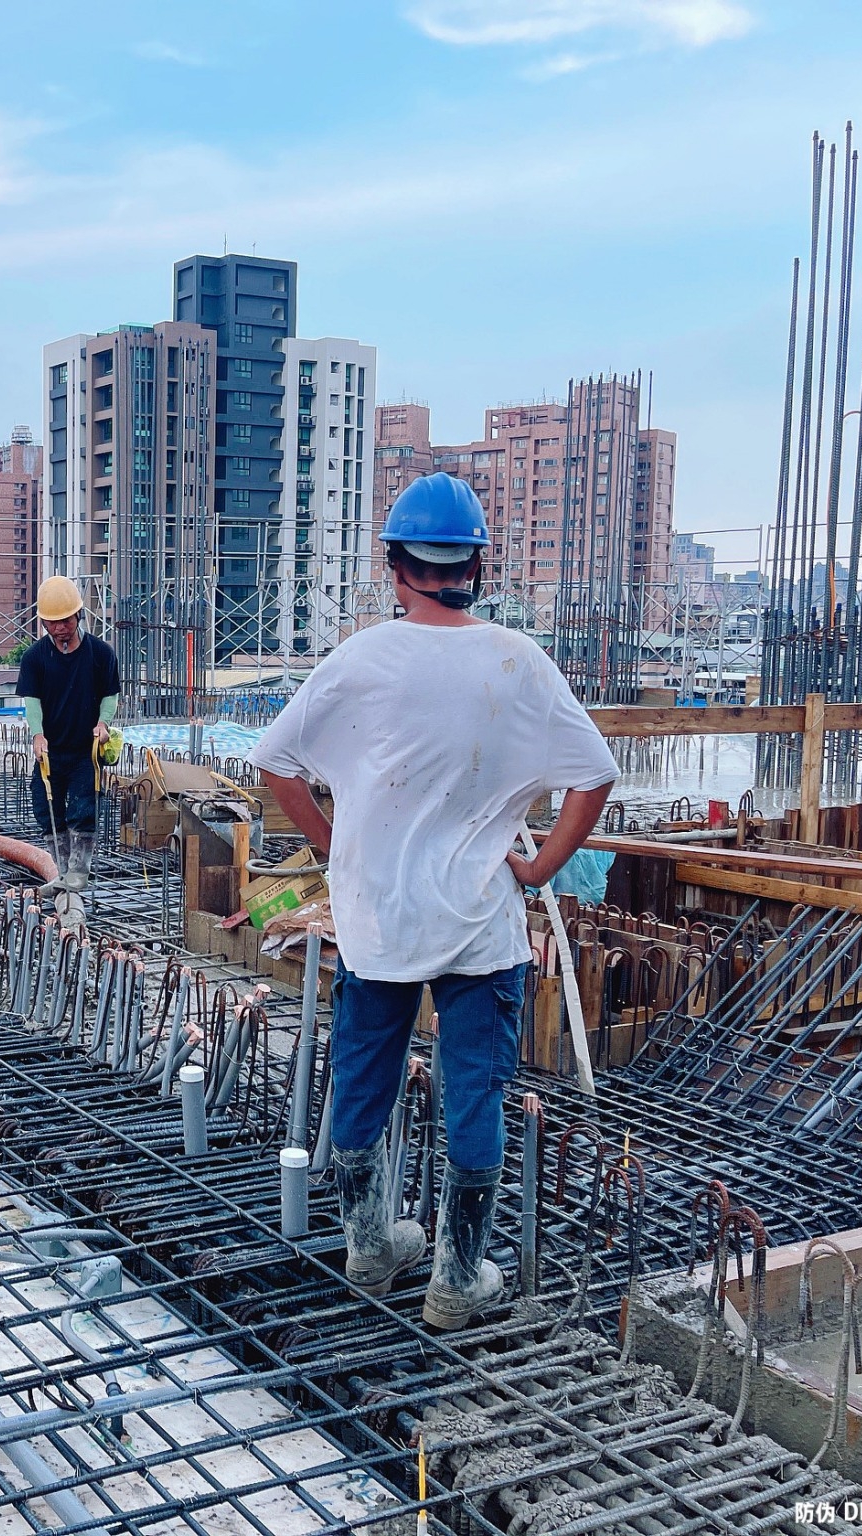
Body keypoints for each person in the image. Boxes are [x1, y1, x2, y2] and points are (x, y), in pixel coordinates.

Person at [249, 472, 618, 1331]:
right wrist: (539, 868)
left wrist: (337, 846)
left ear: (394, 565)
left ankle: (370, 1247)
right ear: (476, 566)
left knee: (362, 1079)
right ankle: (457, 1278)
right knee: (474, 1095)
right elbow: (594, 777)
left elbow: (275, 764)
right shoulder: (519, 662)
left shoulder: (362, 659)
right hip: (478, 926)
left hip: (377, 922)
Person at [18, 575, 120, 897]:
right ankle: (62, 871)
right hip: (51, 751)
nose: (60, 628)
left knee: (83, 808)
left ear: (78, 615)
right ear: (43, 623)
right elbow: (32, 701)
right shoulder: (34, 658)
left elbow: (110, 695)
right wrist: (37, 735)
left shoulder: (100, 654)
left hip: (84, 751)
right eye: (53, 622)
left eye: (66, 620)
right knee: (45, 806)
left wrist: (103, 723)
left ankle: (79, 871)